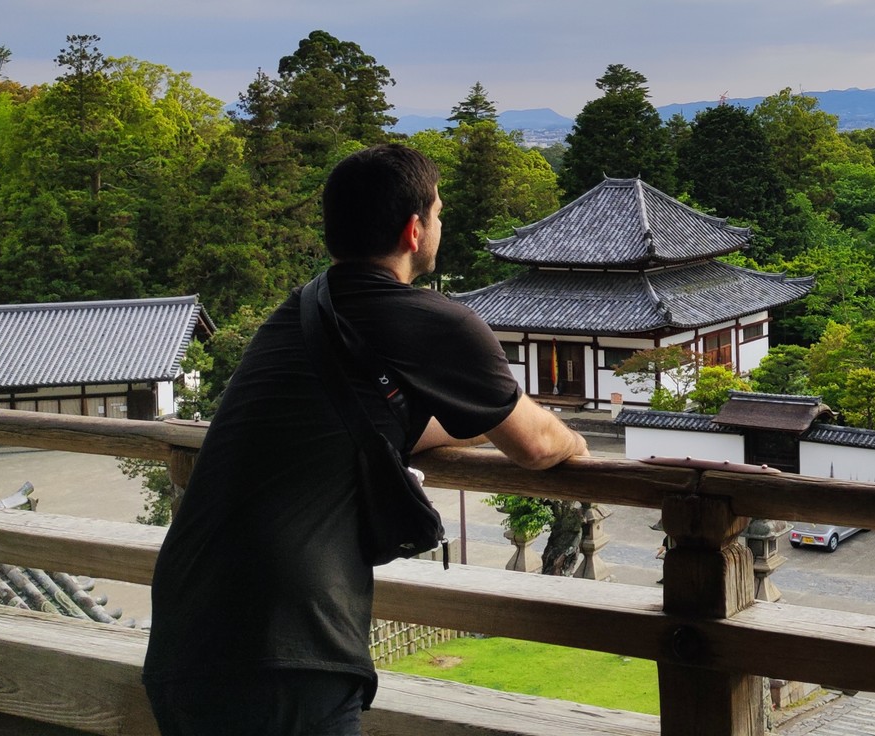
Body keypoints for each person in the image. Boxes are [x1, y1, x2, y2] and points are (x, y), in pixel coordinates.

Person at [142, 143, 586, 735]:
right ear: (413, 229)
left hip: (186, 630)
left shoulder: (302, 310)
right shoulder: (435, 320)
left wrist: (480, 422)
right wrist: (578, 446)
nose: (440, 223)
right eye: (438, 211)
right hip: (286, 644)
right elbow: (538, 446)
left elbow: (370, 427)